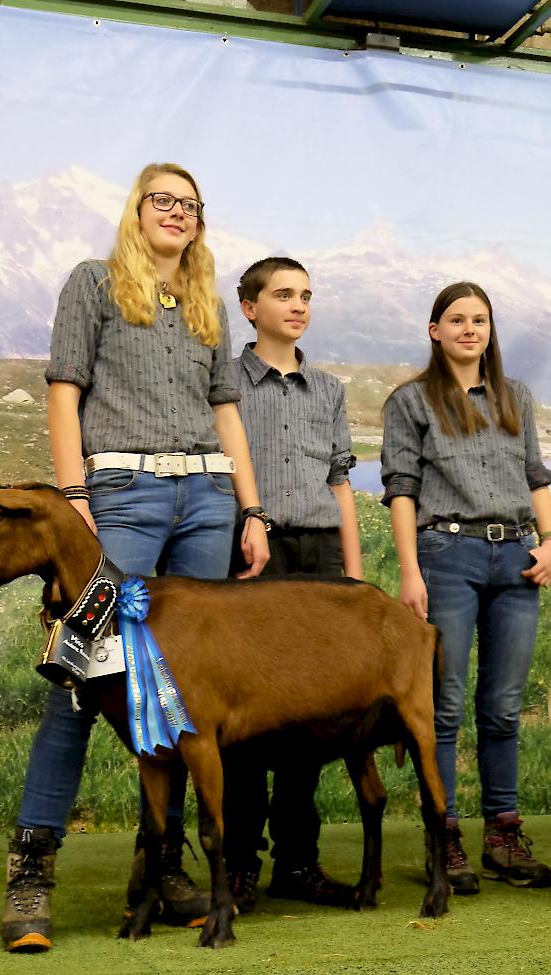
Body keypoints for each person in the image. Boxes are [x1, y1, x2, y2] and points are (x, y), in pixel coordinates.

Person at [0, 162, 270, 952]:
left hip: (208, 501)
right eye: (164, 200)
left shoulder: (208, 302)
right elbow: (63, 390)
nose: (177, 214)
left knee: (183, 697)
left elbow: (226, 410)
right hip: (120, 493)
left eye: (191, 205)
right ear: (136, 209)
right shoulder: (92, 282)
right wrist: (74, 497)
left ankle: (160, 868)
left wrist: (250, 508)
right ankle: (30, 875)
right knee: (79, 677)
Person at [381, 281, 551, 895]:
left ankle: (504, 836)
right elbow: (400, 487)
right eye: (456, 320)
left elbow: (536, 475)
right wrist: (409, 570)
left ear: (489, 330)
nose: (469, 329)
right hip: (445, 554)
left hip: (517, 559)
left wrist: (550, 541)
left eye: (479, 320)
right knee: (444, 705)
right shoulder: (412, 402)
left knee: (503, 707)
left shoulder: (516, 397)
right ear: (435, 331)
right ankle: (443, 836)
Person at [222, 256, 363, 912]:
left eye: (305, 295)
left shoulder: (329, 389)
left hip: (320, 556)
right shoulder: (225, 379)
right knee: (250, 718)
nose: (298, 305)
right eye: (283, 294)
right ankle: (239, 864)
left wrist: (354, 578)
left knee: (311, 713)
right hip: (254, 551)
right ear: (250, 307)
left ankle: (298, 861)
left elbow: (341, 484)